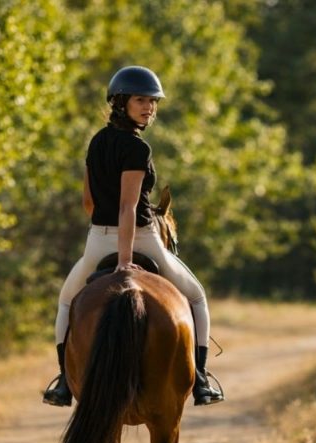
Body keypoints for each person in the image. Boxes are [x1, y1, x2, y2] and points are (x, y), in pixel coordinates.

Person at [43, 65, 224, 408]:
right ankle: (200, 379)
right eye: (141, 100)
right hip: (141, 238)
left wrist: (104, 232)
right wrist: (125, 261)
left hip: (97, 240)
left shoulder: (96, 142)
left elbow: (88, 201)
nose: (149, 108)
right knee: (197, 298)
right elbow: (128, 207)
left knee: (67, 302)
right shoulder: (138, 149)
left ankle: (65, 382)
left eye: (153, 102)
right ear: (121, 101)